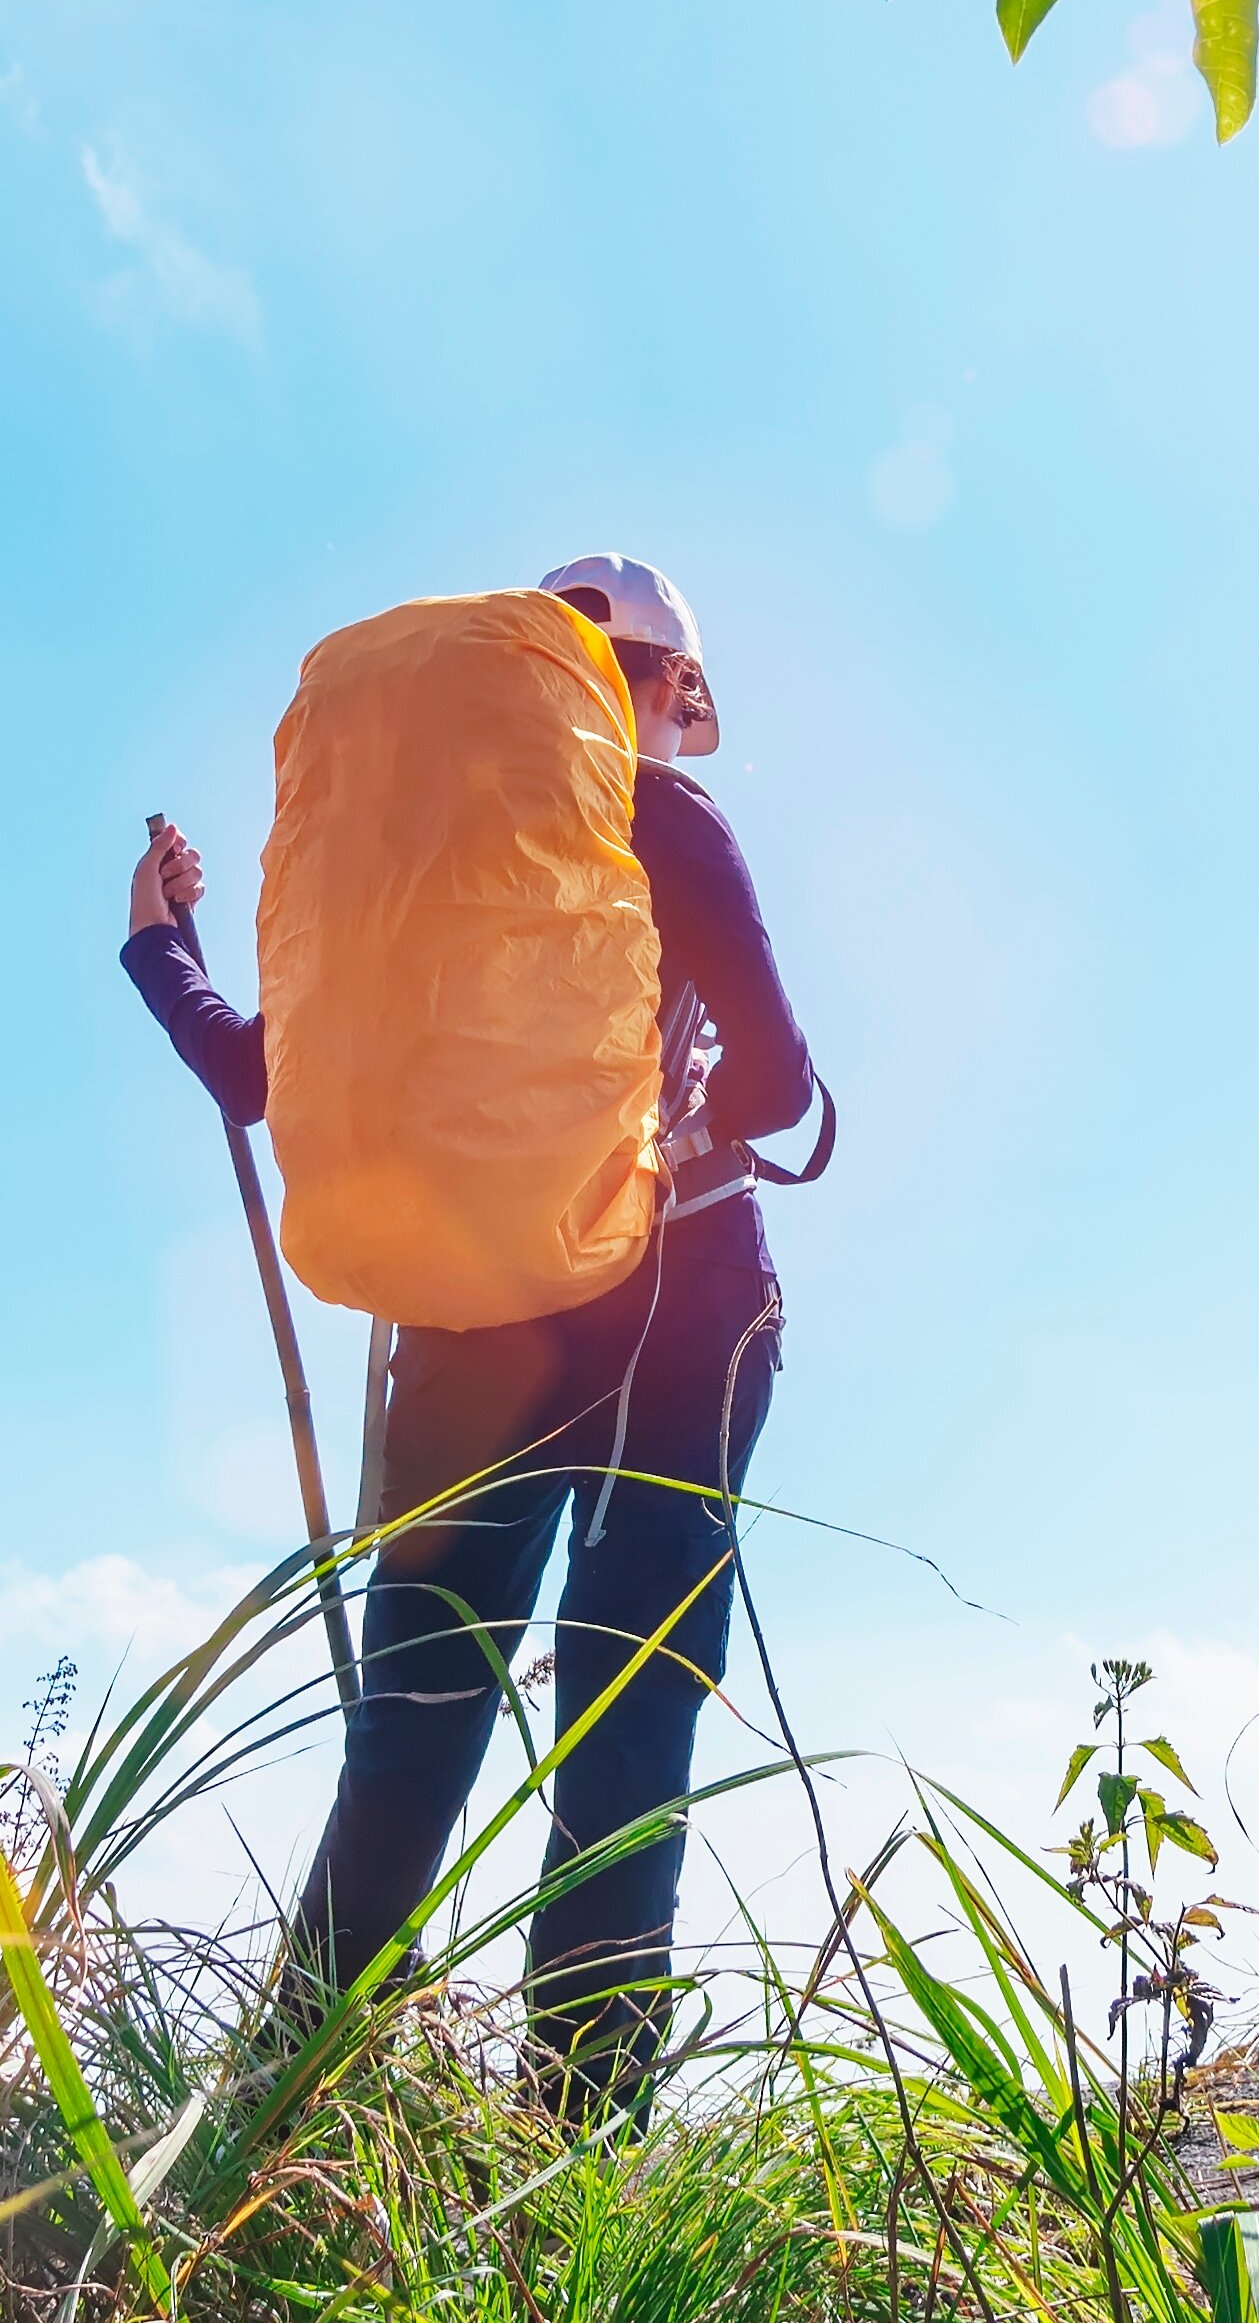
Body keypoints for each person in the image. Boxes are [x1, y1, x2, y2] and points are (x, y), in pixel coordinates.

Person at [119, 555, 817, 2113]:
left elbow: (255, 1079)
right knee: (628, 1711)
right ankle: (574, 2142)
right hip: (683, 1309)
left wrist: (160, 942)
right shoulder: (661, 815)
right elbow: (773, 1086)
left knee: (415, 1716)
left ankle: (291, 2101)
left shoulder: (400, 874)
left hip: (461, 1327)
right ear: (656, 684)